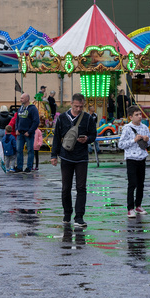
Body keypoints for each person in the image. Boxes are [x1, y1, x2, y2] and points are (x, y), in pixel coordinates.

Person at [50, 93, 97, 228]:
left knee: (81, 187)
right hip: (66, 156)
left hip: (81, 157)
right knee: (66, 188)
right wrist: (54, 155)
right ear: (71, 104)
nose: (78, 109)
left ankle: (79, 216)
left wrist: (87, 139)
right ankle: (67, 213)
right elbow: (57, 137)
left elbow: (94, 134)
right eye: (76, 106)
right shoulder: (62, 118)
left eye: (81, 106)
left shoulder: (87, 118)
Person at [118, 105, 150, 218]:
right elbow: (121, 144)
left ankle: (139, 205)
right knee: (132, 183)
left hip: (142, 157)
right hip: (131, 158)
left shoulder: (145, 127)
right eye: (136, 115)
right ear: (131, 117)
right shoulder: (127, 128)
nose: (139, 117)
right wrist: (134, 140)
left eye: (140, 114)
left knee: (141, 183)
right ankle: (130, 208)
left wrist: (147, 140)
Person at [14, 93, 39, 172]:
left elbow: (36, 121)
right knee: (19, 150)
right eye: (20, 98)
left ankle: (29, 167)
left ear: (27, 99)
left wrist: (30, 131)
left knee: (30, 150)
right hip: (20, 133)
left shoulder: (33, 109)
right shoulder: (20, 108)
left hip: (28, 133)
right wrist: (17, 129)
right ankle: (19, 166)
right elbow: (17, 120)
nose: (20, 100)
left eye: (22, 98)